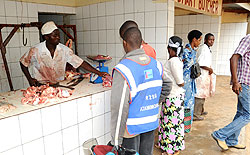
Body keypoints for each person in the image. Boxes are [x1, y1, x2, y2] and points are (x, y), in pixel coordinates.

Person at [110, 27, 163, 155]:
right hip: (150, 121)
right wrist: (153, 101)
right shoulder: (156, 64)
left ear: (124, 43)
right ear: (141, 43)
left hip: (131, 127)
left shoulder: (123, 69)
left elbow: (119, 106)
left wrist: (116, 140)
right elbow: (167, 84)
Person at [20, 21, 108, 86]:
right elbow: (23, 63)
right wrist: (30, 79)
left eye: (58, 35)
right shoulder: (35, 50)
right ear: (46, 37)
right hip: (41, 85)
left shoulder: (64, 50)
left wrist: (98, 72)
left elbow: (80, 62)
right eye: (55, 35)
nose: (58, 37)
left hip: (59, 84)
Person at [211, 34, 250, 151]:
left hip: (247, 83)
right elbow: (234, 58)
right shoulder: (249, 38)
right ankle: (220, 134)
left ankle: (232, 140)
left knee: (241, 113)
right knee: (248, 114)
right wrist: (235, 81)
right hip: (243, 83)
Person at [157, 36, 185, 155]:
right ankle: (165, 144)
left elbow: (180, 82)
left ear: (169, 48)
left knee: (170, 124)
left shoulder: (173, 61)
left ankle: (170, 150)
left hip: (173, 97)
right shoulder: (173, 61)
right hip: (171, 97)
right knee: (167, 122)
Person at [182, 30, 202, 131]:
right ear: (194, 39)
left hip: (191, 82)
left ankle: (187, 127)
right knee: (186, 105)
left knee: (189, 105)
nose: (199, 42)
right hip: (185, 83)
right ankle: (183, 127)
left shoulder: (193, 51)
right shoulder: (185, 52)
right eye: (199, 40)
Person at [194, 33, 216, 121]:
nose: (212, 41)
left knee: (203, 94)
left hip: (205, 75)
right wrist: (209, 69)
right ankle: (196, 115)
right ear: (205, 40)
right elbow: (200, 63)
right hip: (202, 75)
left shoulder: (207, 48)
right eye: (210, 39)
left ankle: (201, 111)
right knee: (199, 94)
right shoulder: (203, 49)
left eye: (213, 40)